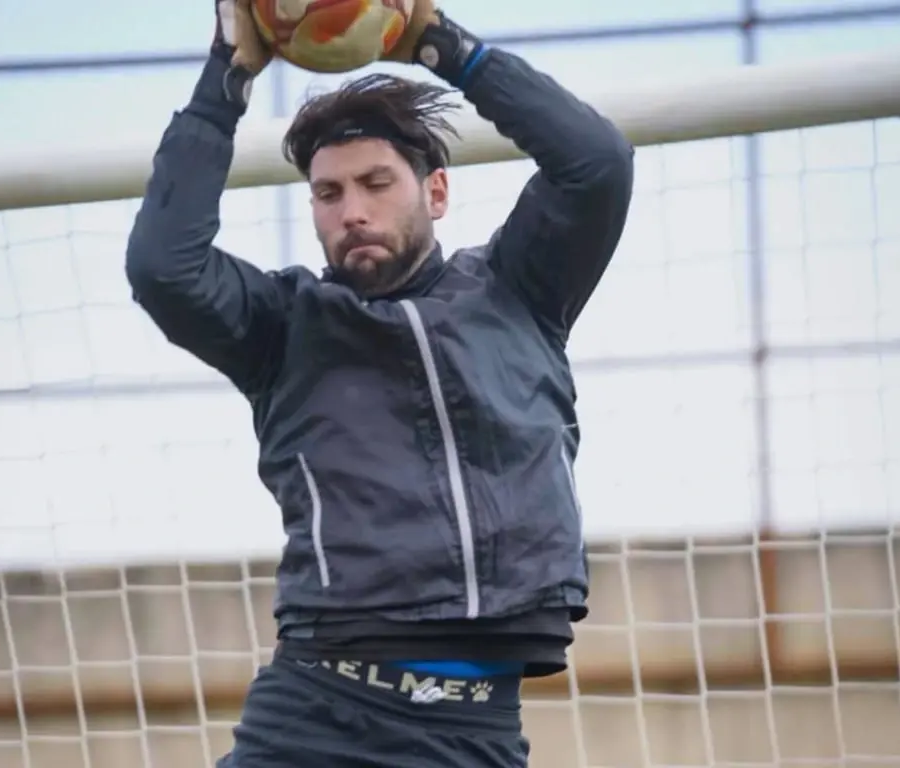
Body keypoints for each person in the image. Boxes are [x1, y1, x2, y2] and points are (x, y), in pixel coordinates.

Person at [125, 0, 634, 765]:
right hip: (319, 716)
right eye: (329, 194)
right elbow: (164, 268)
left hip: (476, 732)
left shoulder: (520, 290)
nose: (352, 211)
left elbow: (598, 164)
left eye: (375, 183)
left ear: (436, 193)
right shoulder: (282, 325)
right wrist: (226, 79)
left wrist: (442, 47)